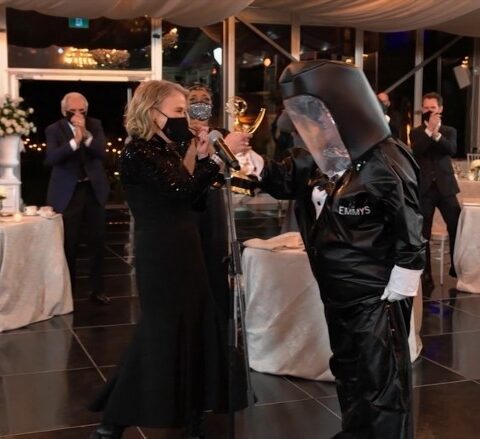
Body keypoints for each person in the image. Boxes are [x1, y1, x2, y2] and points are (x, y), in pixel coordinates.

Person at [231, 60, 425, 438]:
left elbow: (410, 221)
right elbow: (284, 179)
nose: (309, 128)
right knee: (349, 369)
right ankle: (357, 431)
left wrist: (403, 280)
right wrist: (251, 162)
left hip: (374, 295)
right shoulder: (322, 158)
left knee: (381, 378)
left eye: (315, 116)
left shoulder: (385, 159)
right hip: (336, 290)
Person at [89, 80, 245, 439]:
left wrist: (202, 160)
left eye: (185, 111)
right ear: (152, 112)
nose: (184, 119)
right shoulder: (138, 151)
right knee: (159, 333)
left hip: (187, 247)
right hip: (160, 253)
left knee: (195, 328)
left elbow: (192, 200)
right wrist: (214, 159)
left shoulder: (168, 149)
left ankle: (193, 411)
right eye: (177, 111)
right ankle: (114, 418)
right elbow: (181, 189)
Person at [187, 82, 251, 320]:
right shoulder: (179, 134)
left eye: (204, 99)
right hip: (189, 201)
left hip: (214, 199)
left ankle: (219, 315)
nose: (199, 103)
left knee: (216, 256)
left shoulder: (221, 134)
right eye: (193, 99)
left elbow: (233, 166)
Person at [45, 92, 110, 305]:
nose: (78, 115)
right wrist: (74, 142)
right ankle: (68, 292)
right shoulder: (54, 129)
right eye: (73, 111)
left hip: (92, 190)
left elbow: (102, 153)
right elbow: (52, 158)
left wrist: (87, 137)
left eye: (82, 111)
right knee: (69, 244)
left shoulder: (95, 125)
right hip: (68, 193)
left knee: (97, 242)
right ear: (64, 111)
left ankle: (97, 289)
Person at [409, 92, 460, 293]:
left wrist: (436, 134)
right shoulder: (416, 132)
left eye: (432, 108)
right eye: (426, 108)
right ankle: (425, 273)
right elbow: (417, 150)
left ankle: (456, 267)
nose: (429, 111)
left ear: (440, 109)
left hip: (446, 187)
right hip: (425, 190)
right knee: (424, 233)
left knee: (456, 227)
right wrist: (429, 131)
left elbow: (451, 149)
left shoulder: (449, 130)